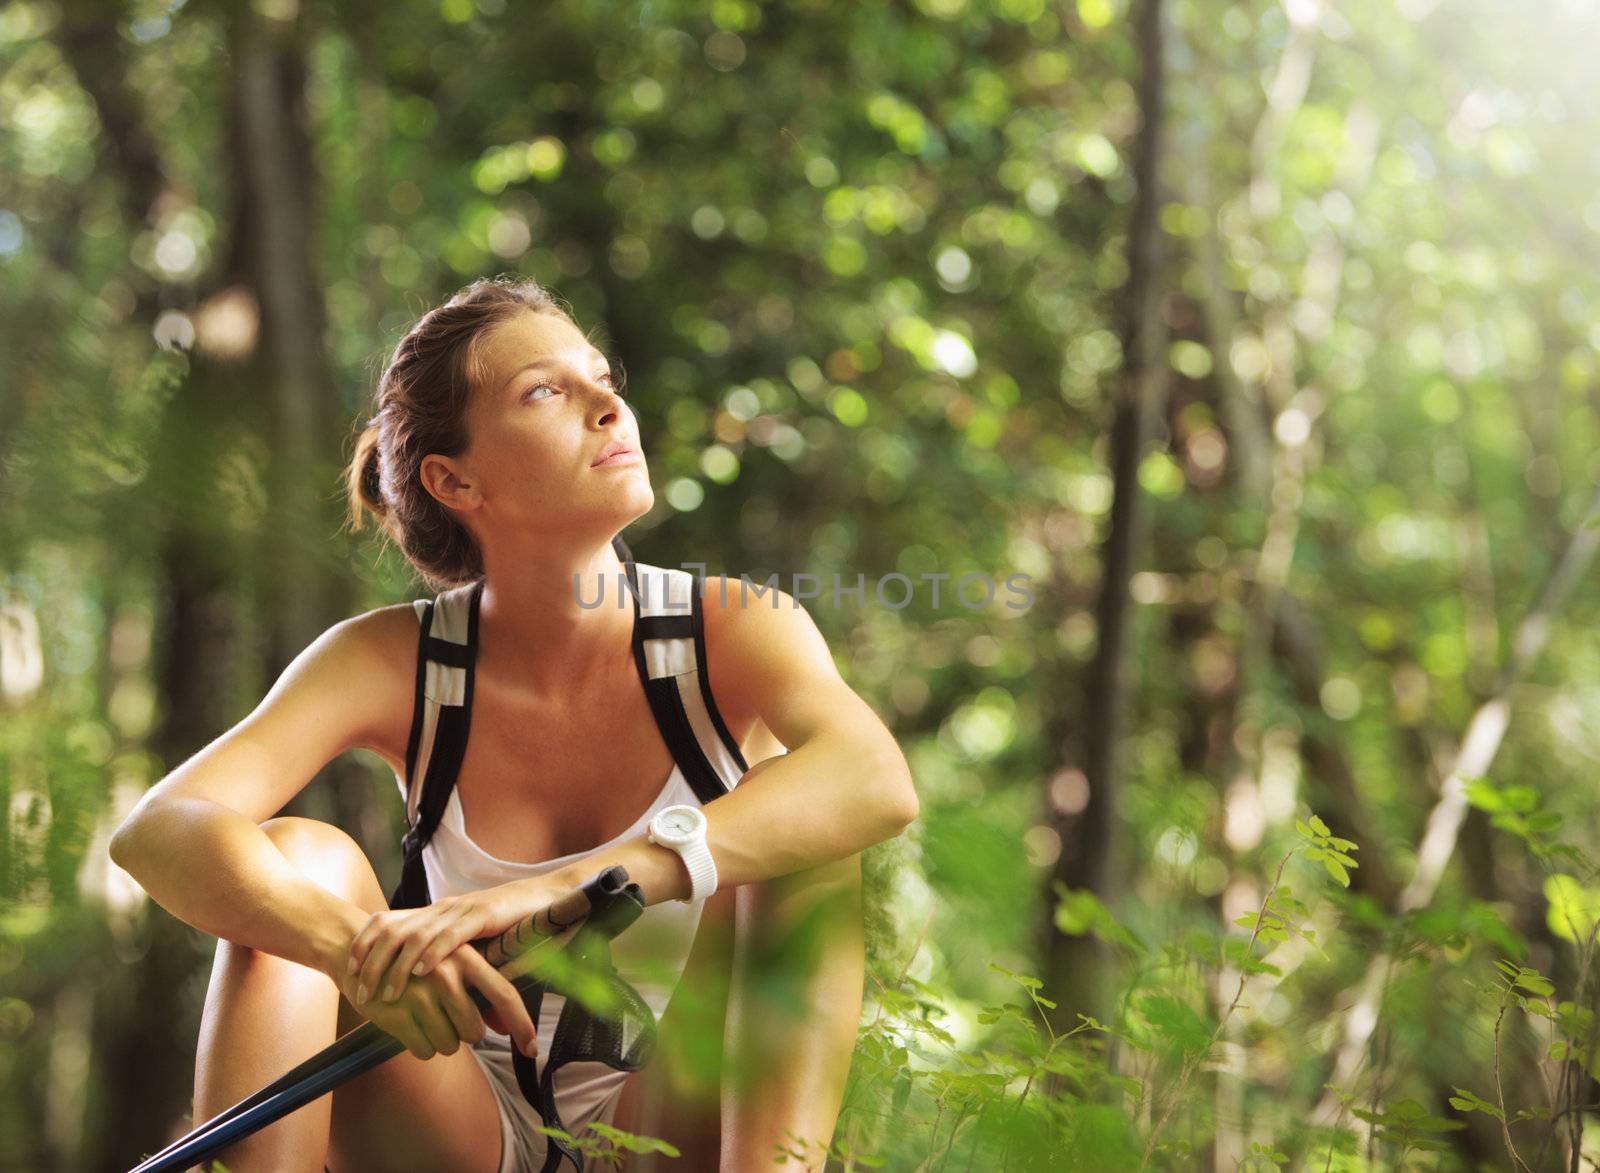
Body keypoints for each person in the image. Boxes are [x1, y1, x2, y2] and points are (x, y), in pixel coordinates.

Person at [109, 275, 920, 1172]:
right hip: (462, 1125)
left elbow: (873, 779)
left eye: (600, 376)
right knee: (302, 861)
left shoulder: (732, 626)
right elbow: (158, 829)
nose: (610, 405)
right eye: (546, 390)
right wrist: (353, 952)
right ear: (454, 479)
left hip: (678, 1128)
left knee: (808, 827)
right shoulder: (395, 661)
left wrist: (591, 879)